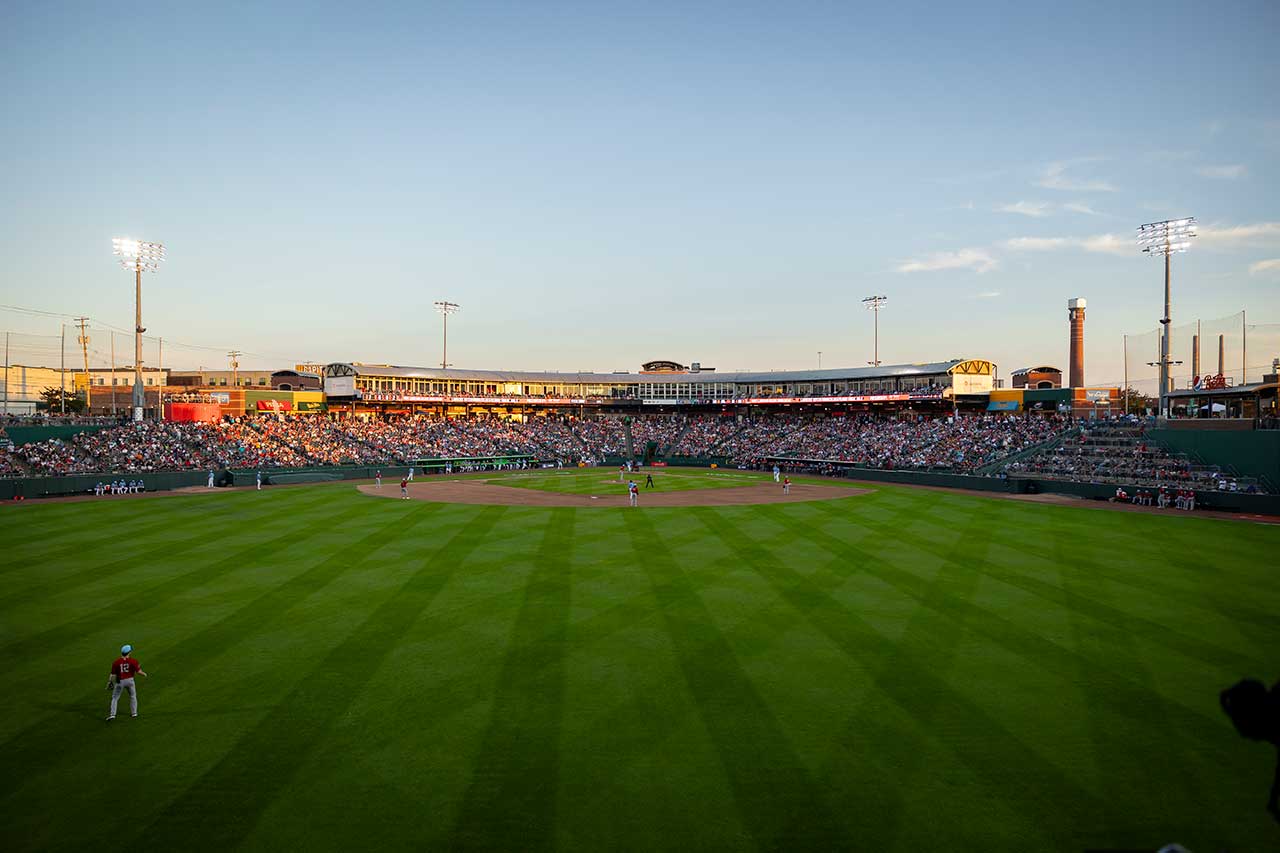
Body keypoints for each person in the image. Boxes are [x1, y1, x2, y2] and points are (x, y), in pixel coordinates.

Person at [106, 643, 148, 721]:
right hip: (130, 681)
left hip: (120, 682)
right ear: (129, 652)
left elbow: (112, 674)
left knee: (115, 698)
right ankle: (134, 713)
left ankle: (112, 714)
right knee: (133, 696)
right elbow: (139, 671)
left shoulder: (116, 662)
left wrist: (109, 682)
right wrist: (144, 674)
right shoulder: (133, 661)